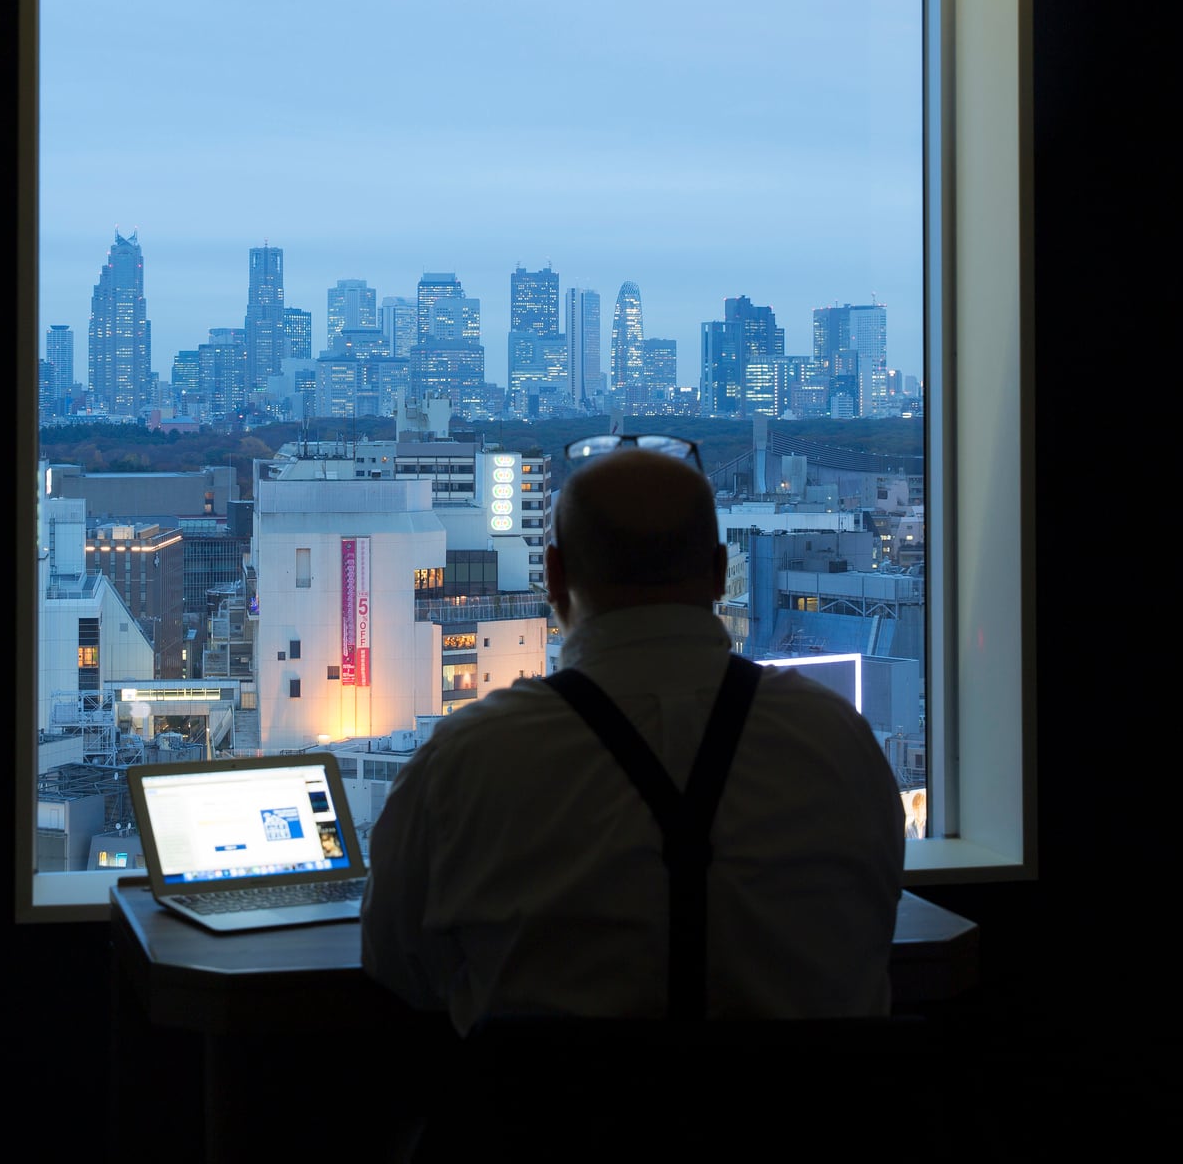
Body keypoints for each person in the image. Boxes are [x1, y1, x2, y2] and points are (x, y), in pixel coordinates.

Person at [359, 441, 906, 1034]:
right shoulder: (837, 743)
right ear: (722, 573)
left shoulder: (466, 763)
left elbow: (397, 966)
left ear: (555, 575)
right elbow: (876, 926)